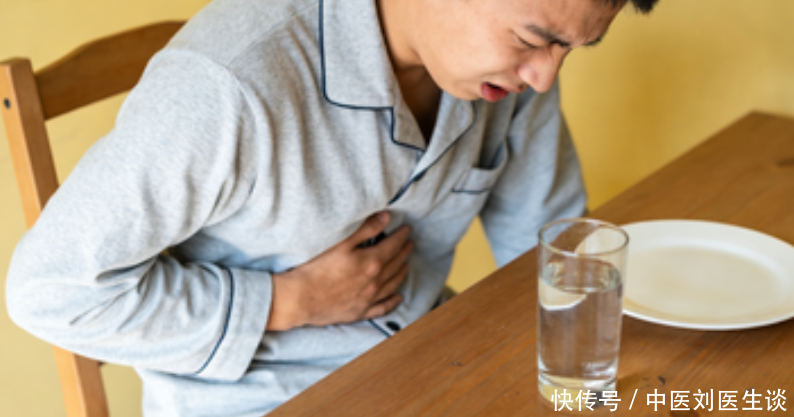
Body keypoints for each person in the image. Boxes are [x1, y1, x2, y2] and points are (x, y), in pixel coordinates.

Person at [6, 0, 658, 415]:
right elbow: (48, 291)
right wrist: (290, 301)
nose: (545, 75)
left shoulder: (511, 74)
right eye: (532, 39)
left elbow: (551, 247)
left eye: (570, 47)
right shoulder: (226, 86)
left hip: (426, 358)